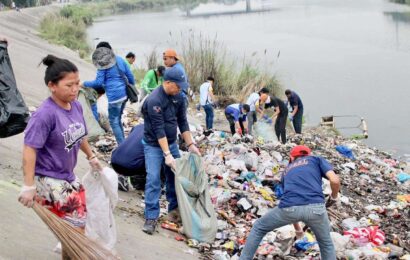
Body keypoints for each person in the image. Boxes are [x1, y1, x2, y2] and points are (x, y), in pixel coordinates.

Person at [18, 55, 103, 259]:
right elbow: (29, 149)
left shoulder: (75, 106)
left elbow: (79, 134)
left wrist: (91, 156)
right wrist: (28, 186)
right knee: (76, 230)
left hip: (66, 176)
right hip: (47, 178)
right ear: (52, 85)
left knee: (74, 230)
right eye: (69, 85)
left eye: (77, 84)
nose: (75, 89)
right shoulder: (45, 114)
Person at [240, 145, 340, 260]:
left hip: (289, 209)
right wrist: (333, 196)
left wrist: (298, 229)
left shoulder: (286, 171)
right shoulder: (316, 160)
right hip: (316, 208)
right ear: (308, 155)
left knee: (259, 227)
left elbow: (290, 199)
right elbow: (334, 180)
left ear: (291, 157)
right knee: (326, 243)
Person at [141, 66, 201, 235]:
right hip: (153, 144)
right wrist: (167, 155)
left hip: (172, 143)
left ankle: (174, 210)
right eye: (177, 86)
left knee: (175, 176)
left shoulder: (179, 97)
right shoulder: (154, 100)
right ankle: (151, 216)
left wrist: (190, 145)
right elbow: (158, 129)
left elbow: (182, 122)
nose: (180, 89)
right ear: (167, 82)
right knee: (153, 179)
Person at [82, 42, 135, 144]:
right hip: (124, 95)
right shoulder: (120, 59)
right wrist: (130, 89)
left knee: (113, 122)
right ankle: (123, 142)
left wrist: (83, 83)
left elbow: (98, 82)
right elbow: (131, 77)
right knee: (118, 119)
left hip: (114, 97)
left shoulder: (102, 63)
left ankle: (121, 147)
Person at [111, 124, 146, 190]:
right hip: (130, 166)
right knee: (156, 156)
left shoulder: (138, 126)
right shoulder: (159, 132)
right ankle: (145, 183)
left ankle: (122, 176)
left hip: (114, 159)